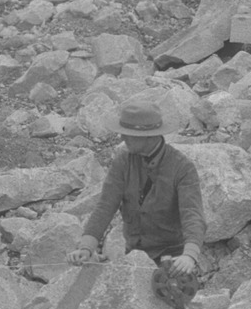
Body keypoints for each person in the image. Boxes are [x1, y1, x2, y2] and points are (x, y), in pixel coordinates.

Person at [68, 101, 205, 278]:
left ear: (149, 136)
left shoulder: (182, 168)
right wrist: (86, 247)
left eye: (129, 135)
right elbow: (105, 207)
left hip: (174, 258)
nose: (122, 139)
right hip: (135, 254)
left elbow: (192, 214)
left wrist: (189, 255)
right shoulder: (122, 162)